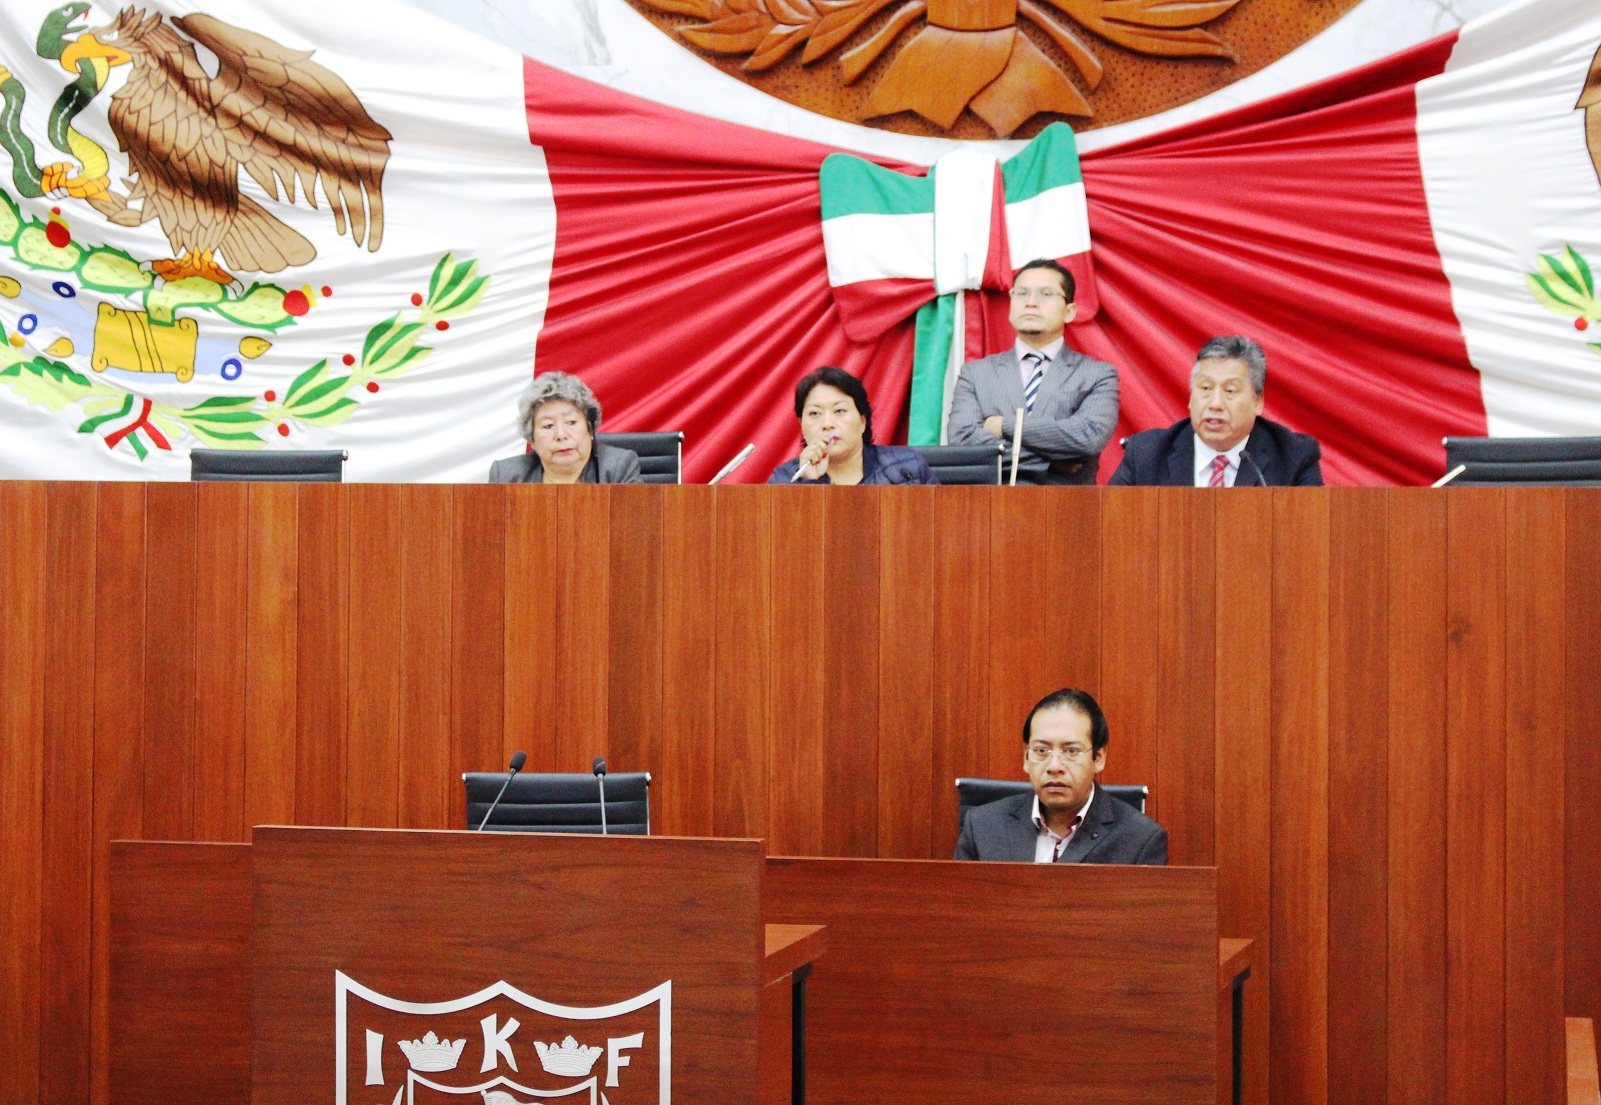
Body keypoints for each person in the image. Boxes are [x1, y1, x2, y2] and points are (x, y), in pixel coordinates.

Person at [945, 259, 1119, 484]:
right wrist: (1049, 460)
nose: (1031, 303)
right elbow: (963, 441)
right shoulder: (976, 374)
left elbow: (1088, 437)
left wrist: (1003, 425)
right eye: (1021, 293)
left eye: (1046, 294)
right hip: (989, 508)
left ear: (1070, 311)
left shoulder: (1097, 375)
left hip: (1068, 510)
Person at [954, 687, 1167, 865]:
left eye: (1071, 751)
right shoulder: (983, 827)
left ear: (1098, 758)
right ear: (1026, 758)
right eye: (1042, 751)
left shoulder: (1140, 840)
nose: (1054, 766)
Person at [1108, 335, 1323, 487]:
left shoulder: (1293, 457)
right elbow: (1109, 528)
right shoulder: (1146, 454)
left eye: (1230, 391)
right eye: (1205, 389)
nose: (1215, 404)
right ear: (1191, 398)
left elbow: (1311, 538)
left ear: (1258, 402)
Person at [768, 366, 939, 485]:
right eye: (815, 414)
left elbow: (940, 530)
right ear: (802, 425)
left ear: (863, 421)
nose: (827, 424)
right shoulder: (784, 480)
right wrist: (809, 482)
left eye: (840, 411)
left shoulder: (907, 467)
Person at [488, 372, 642, 484]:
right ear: (532, 439)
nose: (561, 435)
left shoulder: (618, 468)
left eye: (571, 422)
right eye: (548, 426)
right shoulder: (507, 476)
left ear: (590, 430)